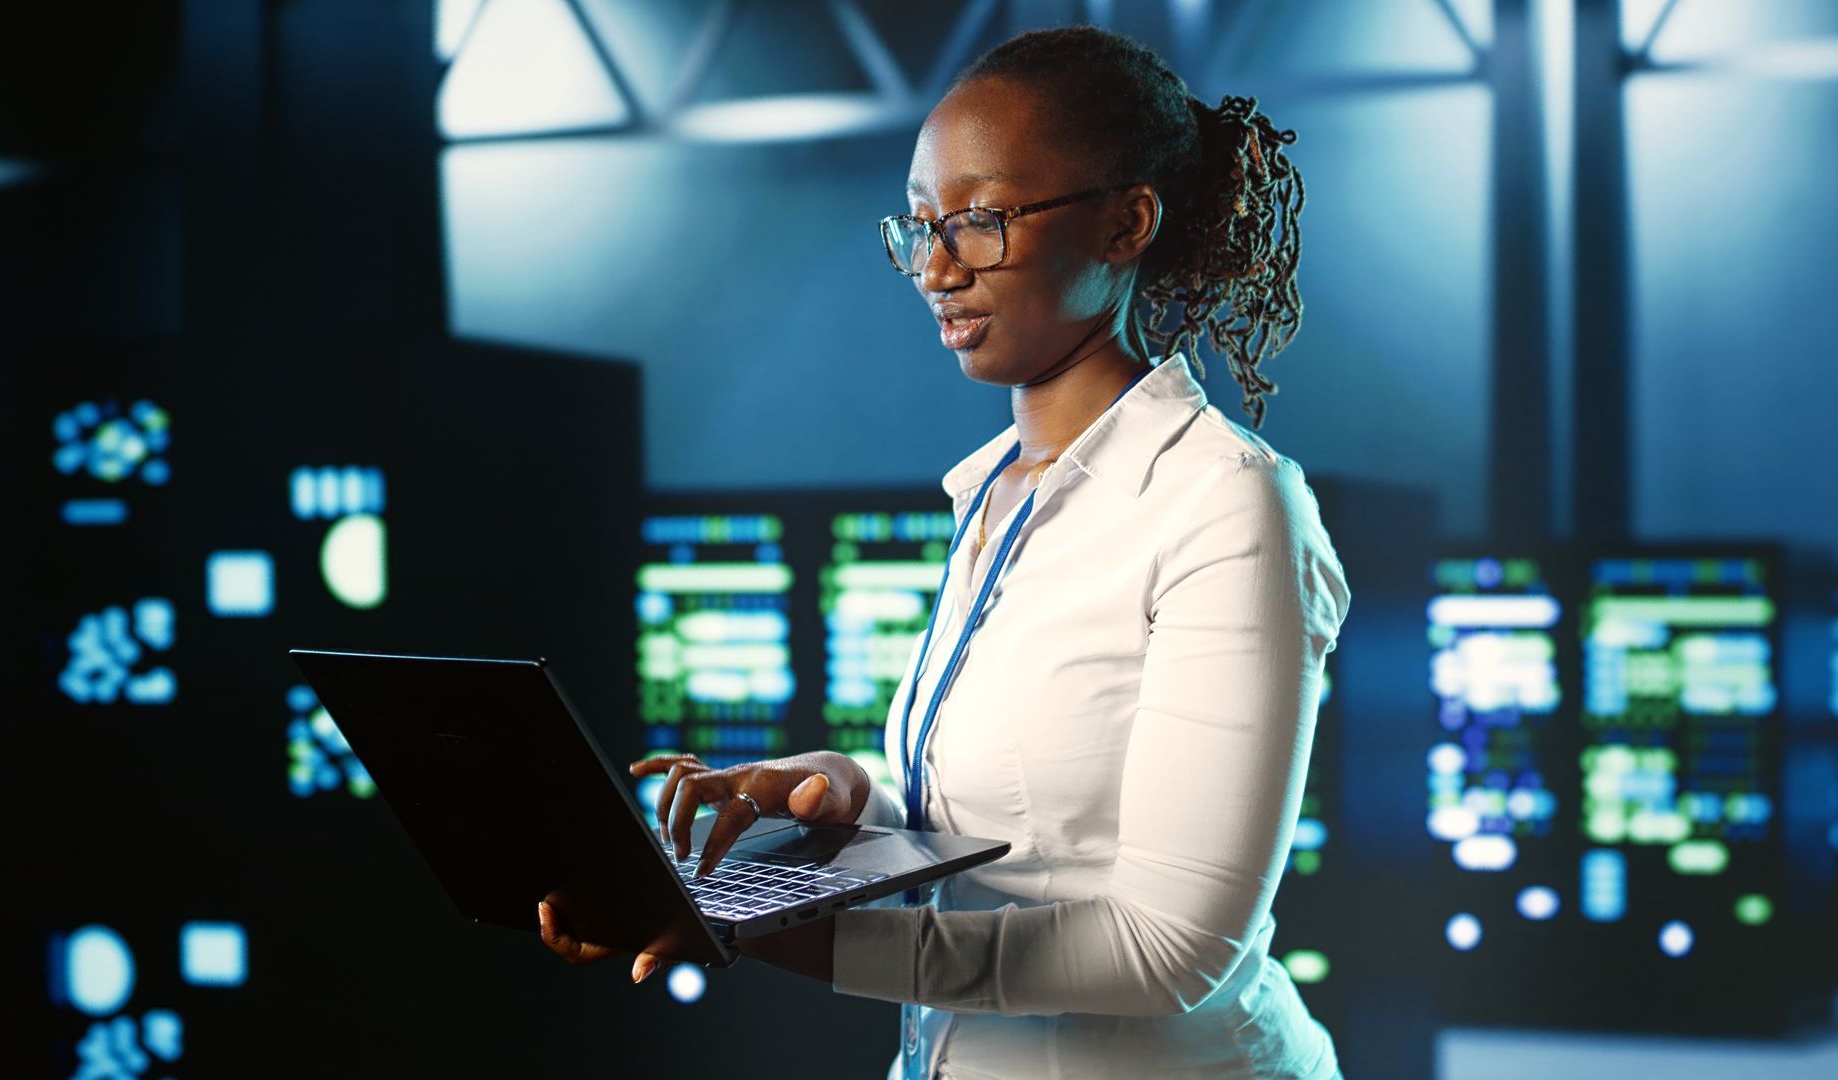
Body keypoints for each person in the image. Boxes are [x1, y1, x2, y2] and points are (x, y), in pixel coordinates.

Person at [538, 24, 1350, 1079]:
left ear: (1125, 223)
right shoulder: (996, 494)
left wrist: (755, 928)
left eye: (978, 222)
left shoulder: (1228, 506)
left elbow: (1172, 950)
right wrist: (841, 792)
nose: (934, 267)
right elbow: (1021, 823)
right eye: (919, 225)